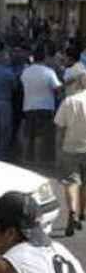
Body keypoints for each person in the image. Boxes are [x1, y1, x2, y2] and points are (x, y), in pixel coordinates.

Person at [55, 71, 86, 236]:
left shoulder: (69, 102)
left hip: (70, 148)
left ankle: (72, 211)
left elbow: (60, 127)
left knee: (71, 182)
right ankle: (82, 212)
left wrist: (58, 147)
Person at [21, 48, 63, 165]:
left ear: (33, 58)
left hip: (29, 105)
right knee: (40, 135)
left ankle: (25, 158)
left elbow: (22, 84)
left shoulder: (26, 71)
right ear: (44, 58)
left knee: (28, 134)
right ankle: (37, 160)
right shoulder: (49, 72)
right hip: (45, 106)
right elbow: (57, 88)